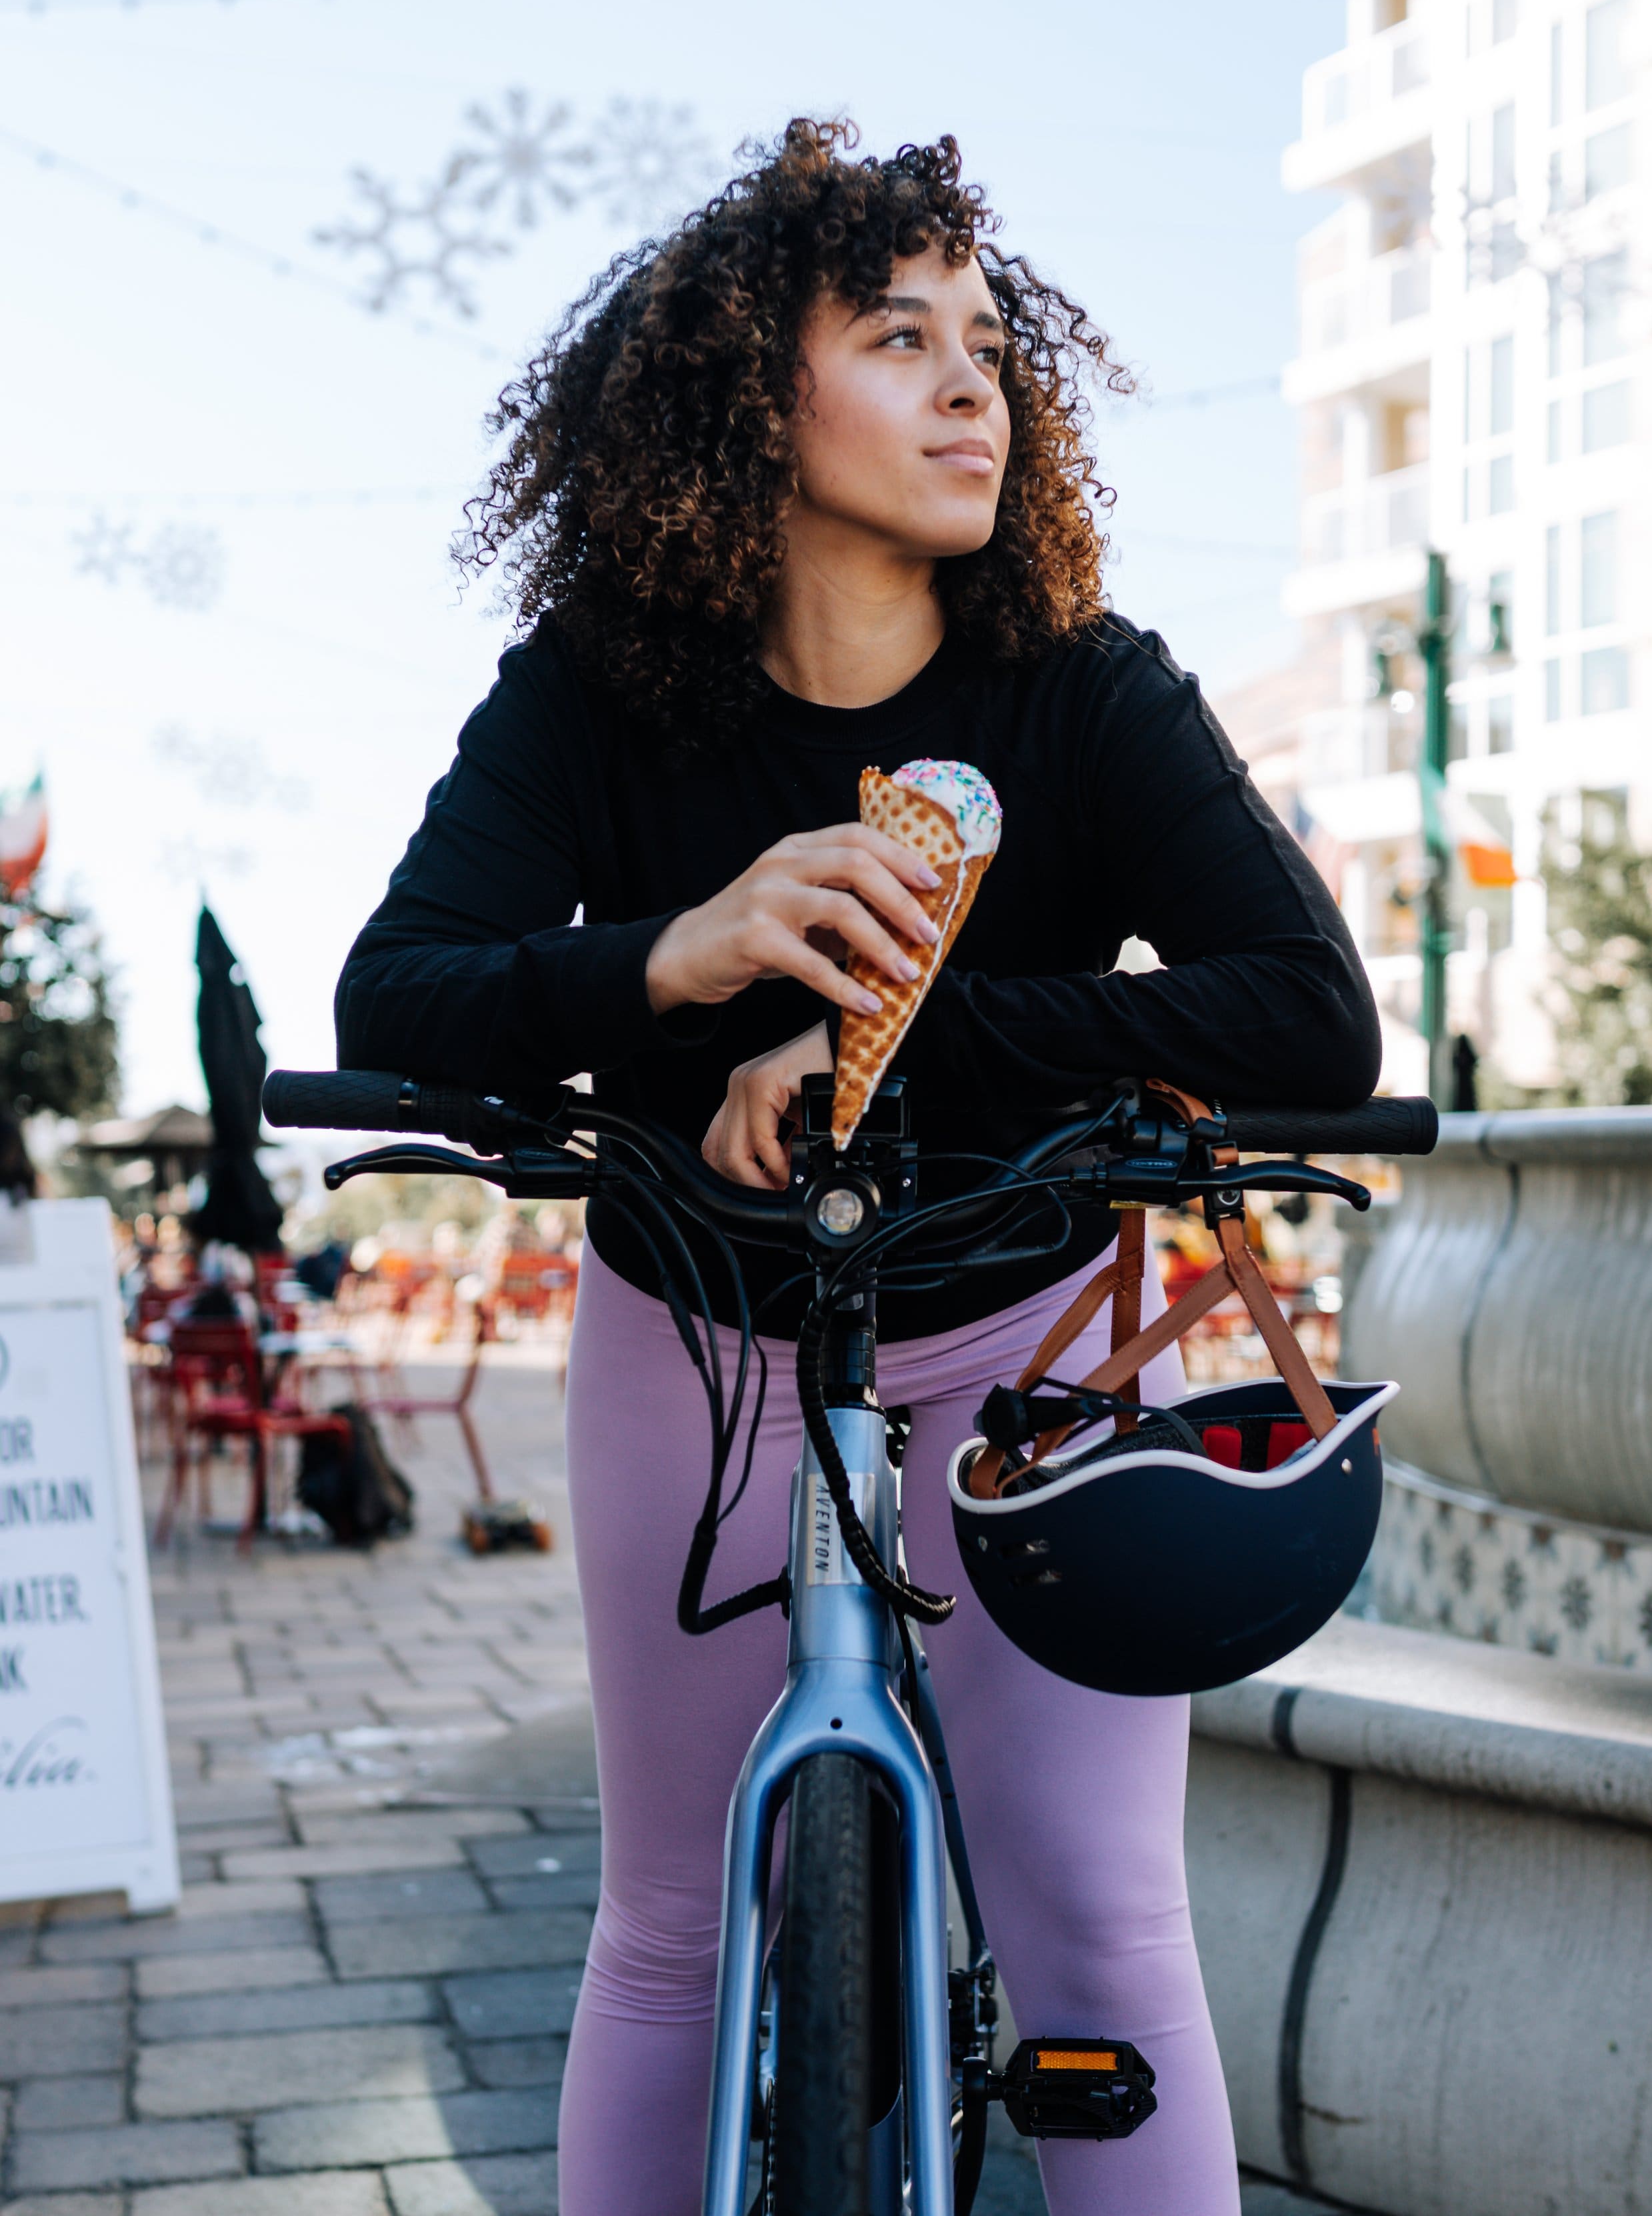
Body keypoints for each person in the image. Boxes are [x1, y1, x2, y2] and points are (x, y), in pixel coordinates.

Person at [336, 121, 1379, 2216]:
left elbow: (1308, 1014)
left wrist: (898, 1042)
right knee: (668, 1937)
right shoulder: (595, 698)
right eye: (899, 337)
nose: (972, 383)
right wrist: (676, 956)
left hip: (1036, 1338)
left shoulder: (1087, 688)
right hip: (700, 1326)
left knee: (1099, 1923)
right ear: (749, 398)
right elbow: (397, 1001)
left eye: (990, 343)